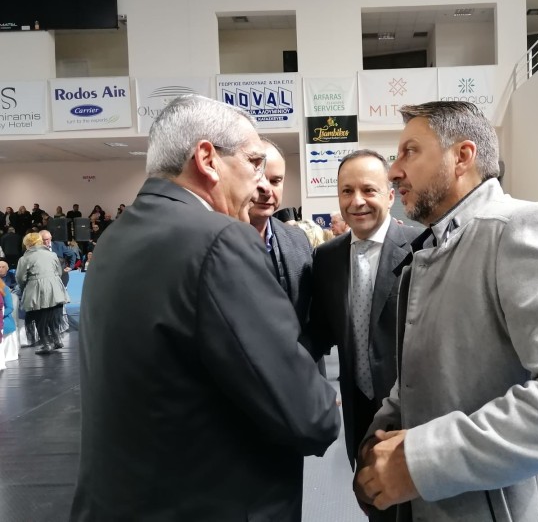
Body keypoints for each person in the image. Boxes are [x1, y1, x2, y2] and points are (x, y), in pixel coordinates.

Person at [69, 94, 340, 522]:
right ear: (208, 159)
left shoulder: (115, 238)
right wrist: (325, 401)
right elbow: (307, 415)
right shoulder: (219, 240)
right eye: (253, 162)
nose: (260, 183)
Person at [354, 102, 538, 522]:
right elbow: (426, 379)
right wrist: (378, 439)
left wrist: (422, 461)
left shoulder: (523, 228)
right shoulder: (434, 250)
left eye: (410, 151)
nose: (394, 171)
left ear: (462, 156)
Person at [309, 149, 421, 522]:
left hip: (413, 409)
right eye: (347, 191)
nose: (357, 201)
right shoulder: (326, 258)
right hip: (357, 410)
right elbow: (319, 332)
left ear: (389, 195)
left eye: (368, 190)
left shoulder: (423, 248)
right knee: (374, 502)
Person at [247, 138, 322, 374]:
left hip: (296, 375)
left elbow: (314, 319)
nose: (266, 189)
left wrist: (300, 364)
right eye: (258, 179)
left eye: (276, 180)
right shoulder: (210, 240)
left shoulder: (298, 240)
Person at [16, 232, 69, 355]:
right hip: (55, 288)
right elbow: (59, 271)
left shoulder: (25, 258)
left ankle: (46, 344)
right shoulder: (52, 254)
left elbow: (20, 278)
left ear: (27, 244)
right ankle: (57, 339)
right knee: (53, 314)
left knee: (39, 317)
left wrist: (25, 288)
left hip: (37, 289)